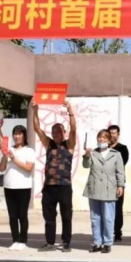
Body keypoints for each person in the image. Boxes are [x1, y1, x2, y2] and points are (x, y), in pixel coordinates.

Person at [33, 100, 77, 253]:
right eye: (54, 132)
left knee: (66, 216)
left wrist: (70, 111)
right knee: (49, 216)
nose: (56, 134)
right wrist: (34, 111)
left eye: (59, 131)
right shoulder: (49, 144)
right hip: (49, 187)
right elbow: (37, 129)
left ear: (63, 133)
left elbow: (73, 129)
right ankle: (50, 242)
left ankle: (66, 243)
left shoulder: (69, 145)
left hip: (64, 186)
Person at [83, 129, 125, 254]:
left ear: (109, 140)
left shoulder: (116, 154)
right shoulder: (93, 153)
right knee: (95, 218)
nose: (101, 139)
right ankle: (97, 242)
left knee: (108, 218)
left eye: (104, 137)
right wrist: (87, 155)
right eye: (99, 137)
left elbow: (120, 171)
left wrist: (120, 185)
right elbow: (86, 165)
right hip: (94, 188)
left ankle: (107, 243)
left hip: (109, 189)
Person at [0, 125, 36, 251]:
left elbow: (29, 168)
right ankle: (15, 240)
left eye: (20, 134)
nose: (17, 136)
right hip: (9, 186)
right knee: (12, 216)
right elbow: (1, 169)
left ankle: (23, 240)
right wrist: (5, 157)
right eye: (15, 134)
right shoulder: (9, 149)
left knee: (22, 215)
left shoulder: (29, 151)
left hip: (23, 187)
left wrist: (14, 159)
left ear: (24, 135)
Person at [108, 125, 129, 242]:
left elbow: (121, 164)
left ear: (118, 134)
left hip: (117, 182)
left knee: (117, 208)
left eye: (114, 133)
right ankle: (106, 231)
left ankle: (117, 232)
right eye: (110, 133)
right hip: (104, 182)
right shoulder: (103, 148)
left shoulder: (123, 149)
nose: (112, 135)